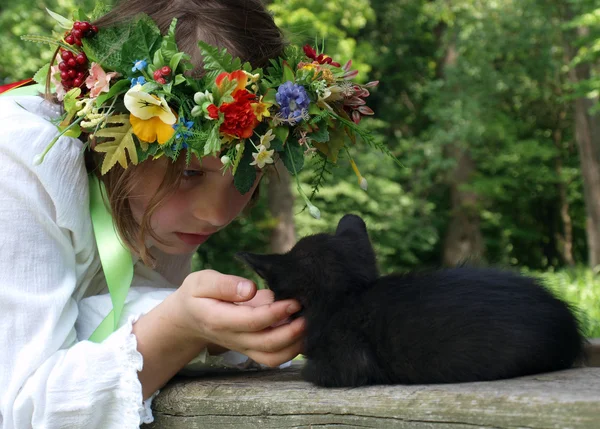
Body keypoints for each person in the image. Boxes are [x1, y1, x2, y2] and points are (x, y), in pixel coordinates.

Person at [0, 0, 380, 426]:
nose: (216, 214)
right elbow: (21, 406)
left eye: (246, 171)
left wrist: (213, 333)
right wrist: (179, 329)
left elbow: (102, 313)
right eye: (188, 172)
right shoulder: (19, 160)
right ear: (115, 131)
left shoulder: (155, 204)